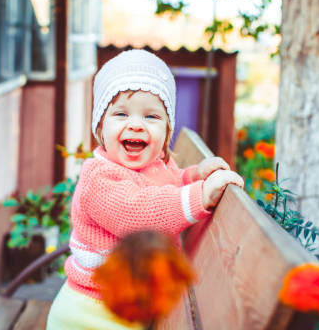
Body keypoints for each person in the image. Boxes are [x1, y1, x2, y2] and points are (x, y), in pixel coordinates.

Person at [46, 49, 244, 330]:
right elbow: (140, 214)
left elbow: (167, 187)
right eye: (121, 113)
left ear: (166, 130)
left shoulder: (155, 166)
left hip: (129, 308)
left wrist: (194, 176)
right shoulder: (99, 179)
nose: (136, 124)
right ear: (100, 128)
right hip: (91, 313)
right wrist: (201, 195)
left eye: (151, 116)